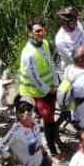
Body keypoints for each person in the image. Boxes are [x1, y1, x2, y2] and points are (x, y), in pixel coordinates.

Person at [18, 19, 64, 157]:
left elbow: (50, 64)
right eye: (37, 31)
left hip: (50, 87)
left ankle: (54, 138)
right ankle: (52, 149)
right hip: (36, 92)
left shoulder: (44, 43)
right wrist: (48, 89)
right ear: (30, 33)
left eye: (43, 29)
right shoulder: (28, 53)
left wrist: (56, 83)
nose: (41, 33)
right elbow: (34, 77)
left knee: (55, 114)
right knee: (48, 119)